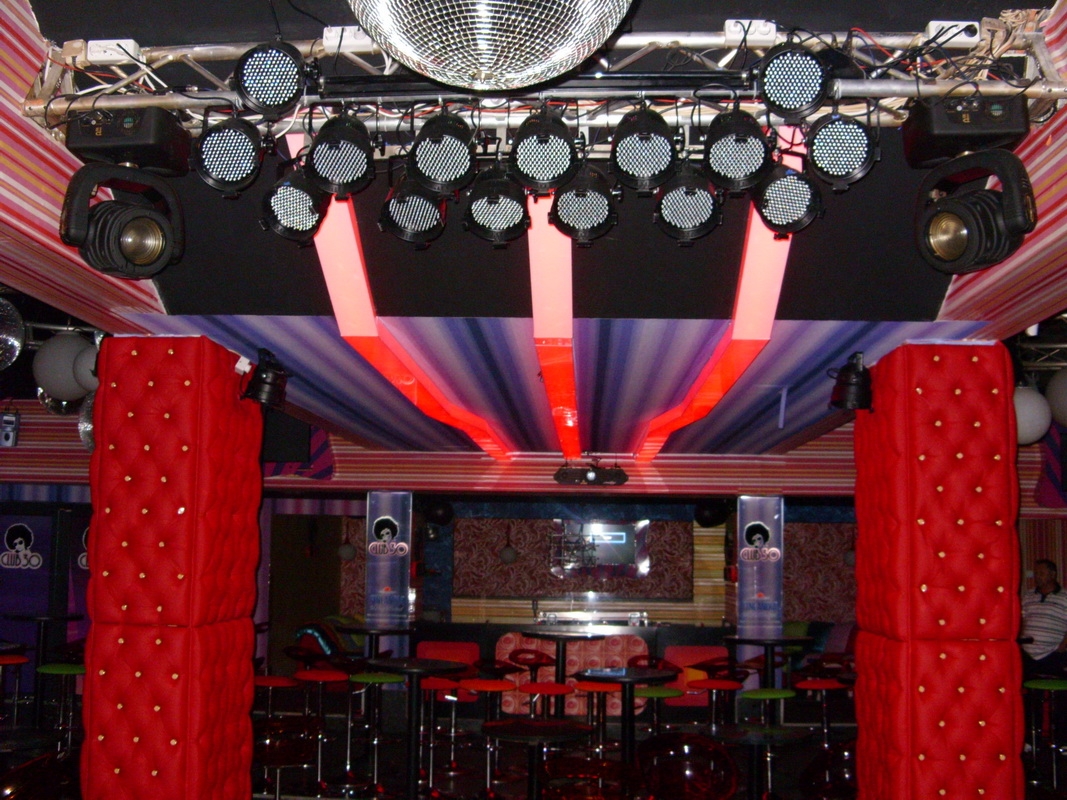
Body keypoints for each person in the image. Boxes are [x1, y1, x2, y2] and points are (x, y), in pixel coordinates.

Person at [1021, 559, 1067, 679]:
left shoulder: (1064, 597)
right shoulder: (1028, 595)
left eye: (1041, 573)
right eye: (1036, 573)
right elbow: (1021, 619)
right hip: (1027, 654)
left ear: (1053, 574)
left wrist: (1062, 647)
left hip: (1052, 654)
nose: (1037, 577)